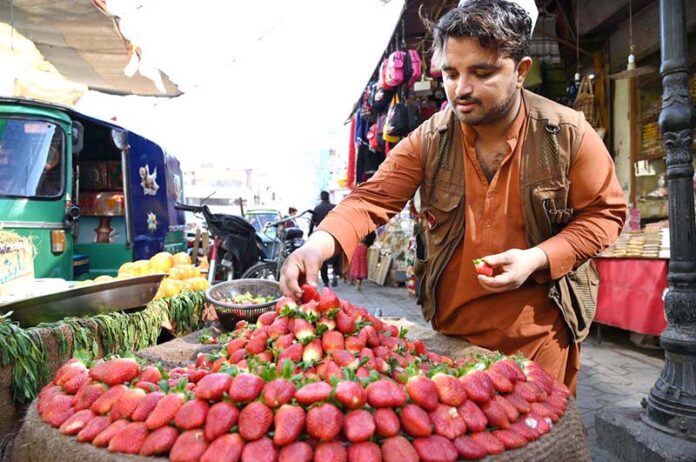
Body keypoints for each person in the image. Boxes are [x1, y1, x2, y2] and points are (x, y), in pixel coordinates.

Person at [280, 0, 627, 394]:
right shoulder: (430, 139)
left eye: (482, 73)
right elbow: (370, 199)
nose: (461, 89)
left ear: (521, 72)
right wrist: (316, 246)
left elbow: (606, 214)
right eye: (450, 72)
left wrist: (537, 258)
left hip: (541, 343)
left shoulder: (566, 134)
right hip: (451, 344)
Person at [309, 191, 342, 287]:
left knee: (323, 259)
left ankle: (326, 281)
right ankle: (335, 273)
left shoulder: (317, 208)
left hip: (321, 235)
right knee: (336, 256)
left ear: (321, 198)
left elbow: (312, 223)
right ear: (328, 197)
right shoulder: (335, 207)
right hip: (334, 234)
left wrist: (310, 233)